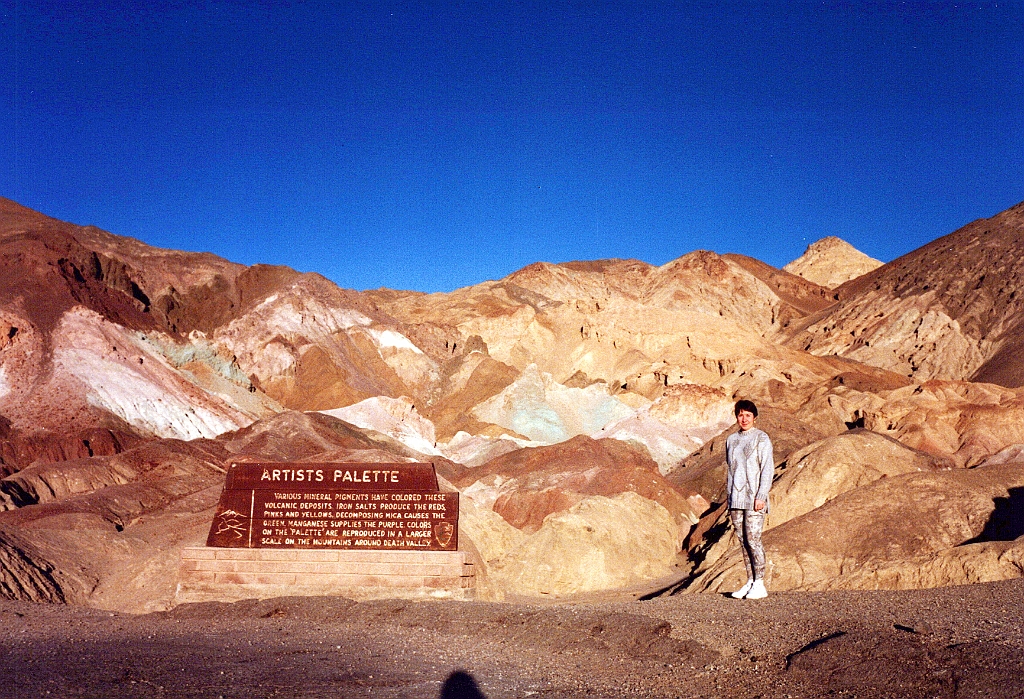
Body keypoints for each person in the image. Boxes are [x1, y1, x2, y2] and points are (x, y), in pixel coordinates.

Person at [725, 399, 774, 599]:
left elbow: (767, 468)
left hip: (755, 499)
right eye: (740, 414)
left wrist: (761, 495)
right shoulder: (730, 440)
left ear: (754, 417)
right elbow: (731, 469)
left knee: (753, 539)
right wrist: (730, 497)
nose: (744, 418)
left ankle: (760, 583)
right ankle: (750, 581)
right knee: (743, 541)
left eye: (748, 415)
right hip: (735, 499)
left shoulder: (762, 439)